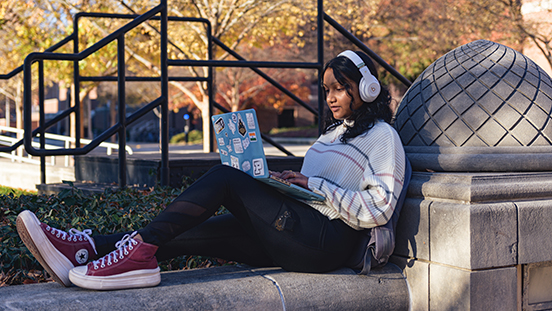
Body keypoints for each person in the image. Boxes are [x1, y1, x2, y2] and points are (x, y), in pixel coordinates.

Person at [16, 50, 406, 291]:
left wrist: (314, 184)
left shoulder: (383, 137)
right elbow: (314, 190)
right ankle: (85, 247)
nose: (331, 97)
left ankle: (129, 254)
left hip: (326, 243)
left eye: (338, 88)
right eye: (326, 89)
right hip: (300, 233)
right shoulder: (333, 134)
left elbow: (381, 209)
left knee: (225, 177)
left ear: (366, 88)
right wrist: (279, 181)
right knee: (197, 232)